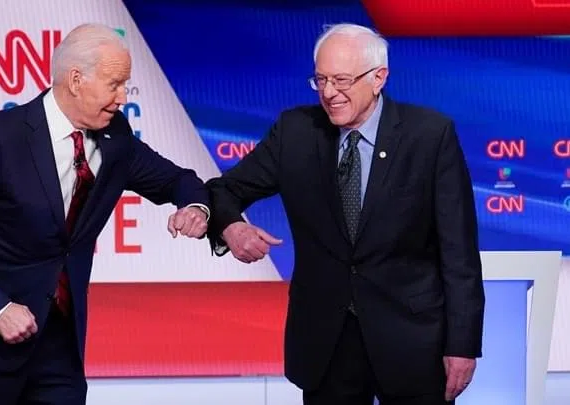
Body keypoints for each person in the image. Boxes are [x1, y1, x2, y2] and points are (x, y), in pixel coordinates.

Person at [0, 23, 210, 405]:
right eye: (114, 84)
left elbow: (177, 179)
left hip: (59, 347)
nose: (123, 97)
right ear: (76, 80)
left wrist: (194, 206)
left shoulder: (115, 138)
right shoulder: (0, 137)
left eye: (125, 85)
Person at [206, 23, 485, 405]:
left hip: (412, 341)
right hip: (327, 344)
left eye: (341, 80)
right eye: (320, 80)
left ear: (378, 78)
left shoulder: (429, 136)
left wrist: (463, 344)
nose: (328, 93)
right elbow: (223, 190)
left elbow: (459, 252)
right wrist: (232, 227)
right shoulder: (295, 132)